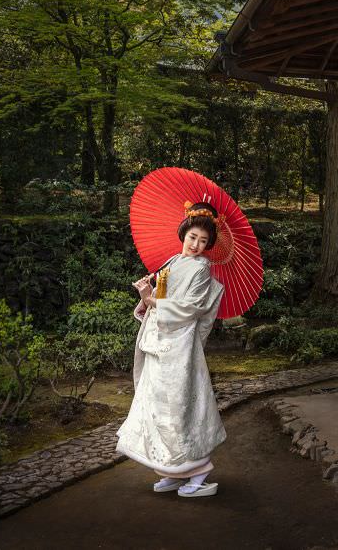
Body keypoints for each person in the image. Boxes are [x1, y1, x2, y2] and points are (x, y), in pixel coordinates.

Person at [116, 201, 227, 497]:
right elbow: (155, 302)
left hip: (179, 348)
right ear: (183, 233)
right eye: (192, 237)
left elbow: (190, 309)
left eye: (203, 241)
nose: (196, 245)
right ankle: (171, 469)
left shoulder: (202, 271)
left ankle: (198, 469)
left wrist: (153, 300)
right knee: (155, 406)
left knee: (177, 408)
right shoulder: (171, 263)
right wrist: (146, 295)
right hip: (158, 341)